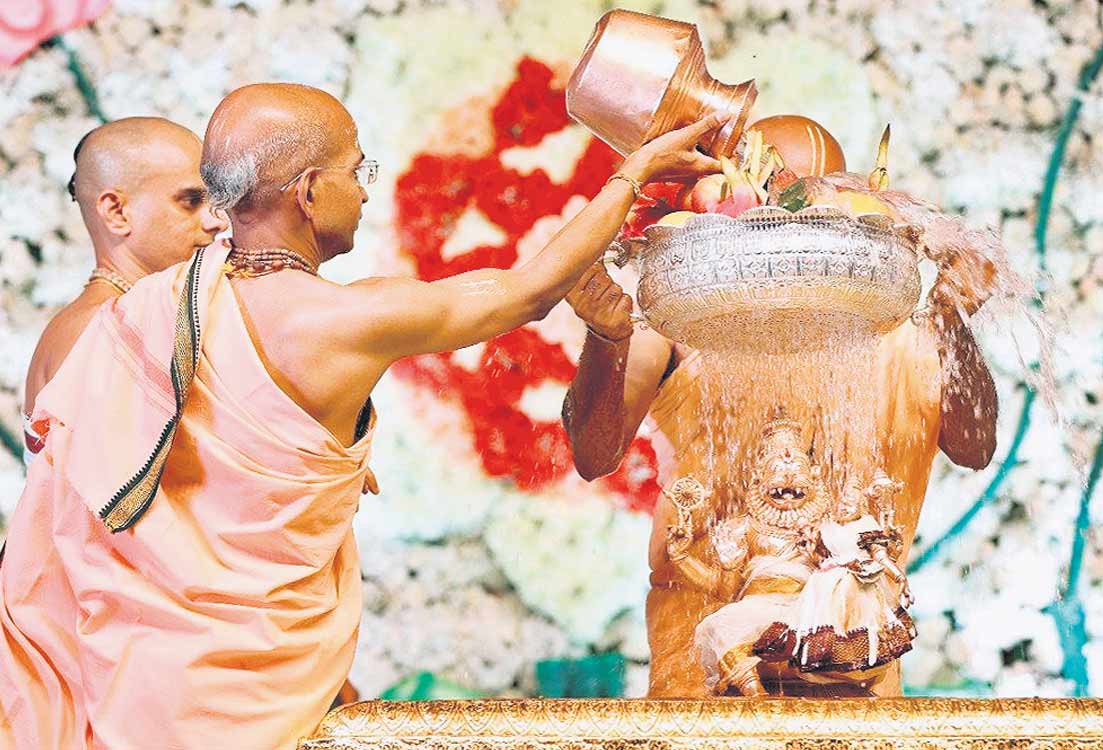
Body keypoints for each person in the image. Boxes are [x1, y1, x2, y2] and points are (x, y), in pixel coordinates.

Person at [0, 83, 722, 750]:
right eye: (358, 170)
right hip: (244, 690)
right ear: (311, 191)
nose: (366, 190)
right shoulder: (336, 320)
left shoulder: (151, 316)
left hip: (141, 673)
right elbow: (524, 293)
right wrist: (633, 174)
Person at [561, 218, 998, 697]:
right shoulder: (686, 313)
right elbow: (594, 454)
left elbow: (974, 446)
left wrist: (952, 319)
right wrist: (605, 337)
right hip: (700, 638)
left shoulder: (891, 319)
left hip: (853, 641)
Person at [21, 117, 226, 463]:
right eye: (191, 201)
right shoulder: (97, 330)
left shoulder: (134, 315)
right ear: (116, 212)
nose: (216, 221)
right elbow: (110, 491)